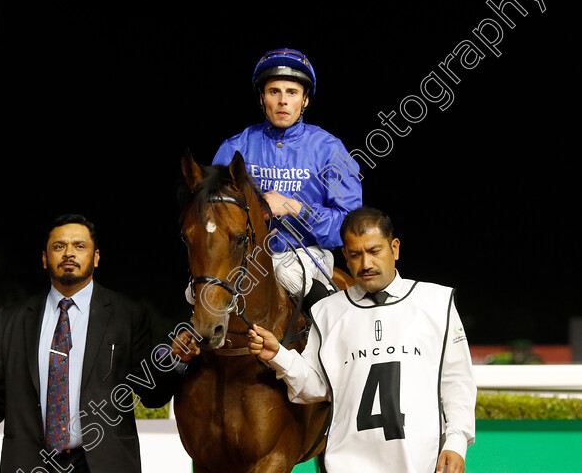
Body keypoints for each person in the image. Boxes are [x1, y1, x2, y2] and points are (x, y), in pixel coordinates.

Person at [0, 214, 177, 472]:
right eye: (59, 247)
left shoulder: (127, 316)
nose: (69, 253)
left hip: (104, 463)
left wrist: (176, 363)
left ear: (96, 257)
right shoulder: (13, 319)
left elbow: (152, 393)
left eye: (79, 246)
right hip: (30, 463)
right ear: (45, 259)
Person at [248, 207, 476, 473]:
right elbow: (317, 388)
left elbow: (457, 380)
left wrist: (456, 441)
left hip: (423, 463)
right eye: (355, 255)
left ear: (395, 248)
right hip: (347, 464)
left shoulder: (436, 302)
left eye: (375, 251)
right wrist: (279, 356)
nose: (365, 264)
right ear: (344, 255)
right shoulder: (326, 311)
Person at [188, 48, 362, 309]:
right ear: (262, 98)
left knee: (288, 276)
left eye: (292, 93)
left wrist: (293, 208)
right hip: (243, 256)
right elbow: (211, 217)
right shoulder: (234, 148)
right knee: (193, 293)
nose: (283, 101)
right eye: (274, 92)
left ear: (305, 100)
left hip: (305, 254)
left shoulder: (330, 149)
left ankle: (328, 334)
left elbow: (351, 227)